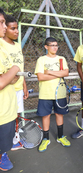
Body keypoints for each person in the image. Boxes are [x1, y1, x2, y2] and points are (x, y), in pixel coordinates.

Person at [35, 37, 71, 152]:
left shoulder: (61, 59)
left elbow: (66, 72)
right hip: (45, 94)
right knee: (46, 116)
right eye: (52, 45)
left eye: (56, 45)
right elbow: (40, 76)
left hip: (59, 93)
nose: (55, 47)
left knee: (59, 114)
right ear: (46, 47)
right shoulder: (41, 59)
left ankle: (60, 136)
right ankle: (46, 139)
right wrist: (58, 74)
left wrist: (49, 72)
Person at [0, 15, 29, 150]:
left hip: (17, 88)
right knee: (7, 118)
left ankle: (15, 137)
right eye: (13, 28)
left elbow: (20, 67)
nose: (16, 31)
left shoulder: (17, 45)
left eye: (17, 28)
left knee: (15, 115)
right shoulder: (1, 44)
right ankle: (10, 142)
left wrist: (24, 86)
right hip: (7, 89)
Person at [0, 8, 20, 171]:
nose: (5, 27)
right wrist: (14, 68)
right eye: (1, 23)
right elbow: (2, 81)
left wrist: (10, 76)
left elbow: (12, 78)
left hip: (8, 107)